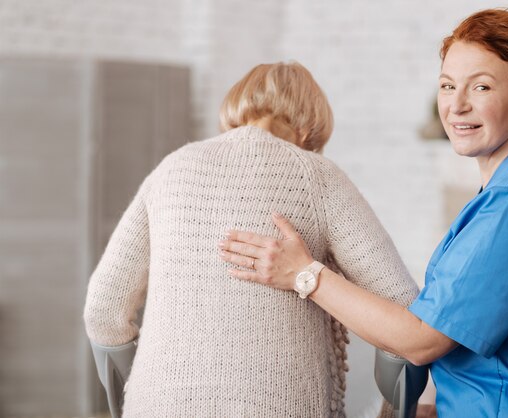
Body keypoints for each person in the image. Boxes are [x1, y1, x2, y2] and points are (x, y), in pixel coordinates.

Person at [219, 9, 508, 417]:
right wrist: (440, 401)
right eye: (447, 86)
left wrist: (304, 274)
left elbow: (422, 339)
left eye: (480, 87)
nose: (456, 106)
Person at [83, 61, 418, 417]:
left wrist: (136, 399)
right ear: (310, 125)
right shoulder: (319, 178)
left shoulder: (171, 169)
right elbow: (403, 305)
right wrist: (396, 409)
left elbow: (104, 310)